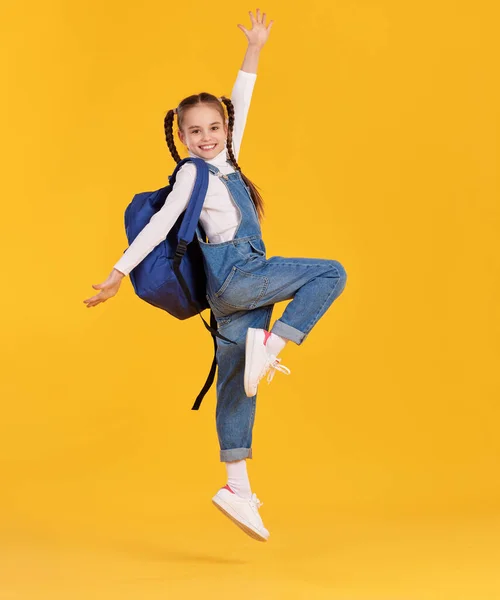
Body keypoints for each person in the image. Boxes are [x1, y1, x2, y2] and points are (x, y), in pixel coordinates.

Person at [83, 8, 347, 542]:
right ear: (181, 137)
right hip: (239, 276)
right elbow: (158, 226)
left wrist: (254, 50)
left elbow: (242, 99)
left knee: (237, 390)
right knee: (331, 273)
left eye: (214, 128)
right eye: (195, 131)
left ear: (224, 129)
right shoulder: (193, 173)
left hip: (229, 297)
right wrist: (117, 273)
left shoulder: (230, 160)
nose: (205, 137)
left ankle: (237, 490)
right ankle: (272, 348)